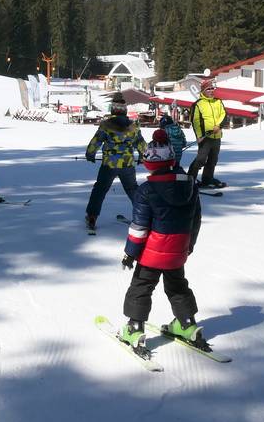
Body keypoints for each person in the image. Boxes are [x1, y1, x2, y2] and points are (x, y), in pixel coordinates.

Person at [116, 129, 204, 355]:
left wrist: (130, 253)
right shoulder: (190, 185)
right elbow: (195, 220)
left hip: (152, 253)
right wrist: (189, 244)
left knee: (141, 286)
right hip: (178, 249)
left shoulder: (146, 191)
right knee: (177, 286)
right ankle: (187, 324)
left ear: (148, 164)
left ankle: (135, 328)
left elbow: (139, 227)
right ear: (172, 160)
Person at [83, 97, 146, 230]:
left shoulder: (106, 125)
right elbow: (141, 144)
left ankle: (92, 216)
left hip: (109, 165)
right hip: (127, 164)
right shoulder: (133, 126)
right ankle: (144, 216)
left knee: (100, 189)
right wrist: (142, 156)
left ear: (113, 109)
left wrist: (90, 154)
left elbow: (96, 141)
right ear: (125, 110)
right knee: (132, 189)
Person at [187, 79, 227, 188]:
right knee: (201, 159)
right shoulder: (198, 104)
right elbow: (195, 121)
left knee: (213, 160)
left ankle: (207, 179)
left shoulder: (218, 102)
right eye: (208, 89)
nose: (211, 90)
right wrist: (199, 136)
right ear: (203, 91)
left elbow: (223, 115)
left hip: (217, 136)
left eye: (212, 88)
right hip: (205, 137)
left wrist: (218, 126)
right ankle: (190, 179)